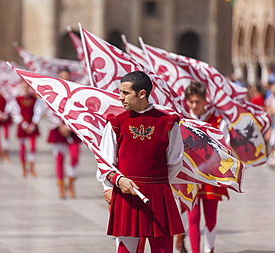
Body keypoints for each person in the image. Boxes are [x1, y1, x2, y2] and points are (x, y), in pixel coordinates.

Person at [97, 71, 185, 253]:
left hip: (159, 195)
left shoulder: (168, 122)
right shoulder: (115, 122)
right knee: (125, 251)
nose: (120, 98)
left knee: (163, 250)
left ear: (142, 94)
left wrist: (157, 183)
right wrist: (114, 183)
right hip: (126, 195)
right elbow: (105, 162)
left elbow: (175, 161)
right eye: (120, 92)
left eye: (125, 93)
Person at [183, 80, 229, 253]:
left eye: (198, 102)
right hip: (189, 175)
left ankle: (209, 249)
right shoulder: (182, 119)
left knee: (210, 216)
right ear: (186, 101)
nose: (194, 106)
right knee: (193, 217)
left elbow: (225, 149)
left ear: (204, 100)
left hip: (211, 176)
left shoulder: (217, 120)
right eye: (191, 102)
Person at [47, 68, 81, 198]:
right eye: (63, 77)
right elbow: (48, 110)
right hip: (58, 129)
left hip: (72, 129)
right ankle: (61, 186)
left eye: (67, 77)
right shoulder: (52, 93)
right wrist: (60, 125)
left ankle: (71, 183)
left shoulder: (75, 94)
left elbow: (78, 110)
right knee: (59, 158)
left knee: (74, 157)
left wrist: (69, 125)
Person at [8, 82, 44, 178]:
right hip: (22, 125)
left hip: (32, 125)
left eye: (27, 87)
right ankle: (23, 168)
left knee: (32, 147)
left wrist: (33, 124)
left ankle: (32, 166)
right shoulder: (17, 99)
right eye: (23, 87)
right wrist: (24, 124)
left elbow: (38, 111)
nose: (25, 89)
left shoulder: (34, 99)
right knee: (22, 147)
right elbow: (15, 112)